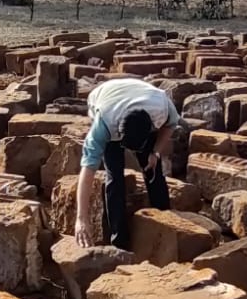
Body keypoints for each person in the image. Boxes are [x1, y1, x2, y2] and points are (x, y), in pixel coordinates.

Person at [73, 78, 179, 249]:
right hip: (106, 98)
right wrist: (81, 218)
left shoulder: (162, 108)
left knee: (153, 168)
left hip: (142, 97)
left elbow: (171, 126)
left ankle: (165, 219)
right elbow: (87, 171)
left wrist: (155, 152)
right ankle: (119, 240)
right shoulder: (103, 127)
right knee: (114, 176)